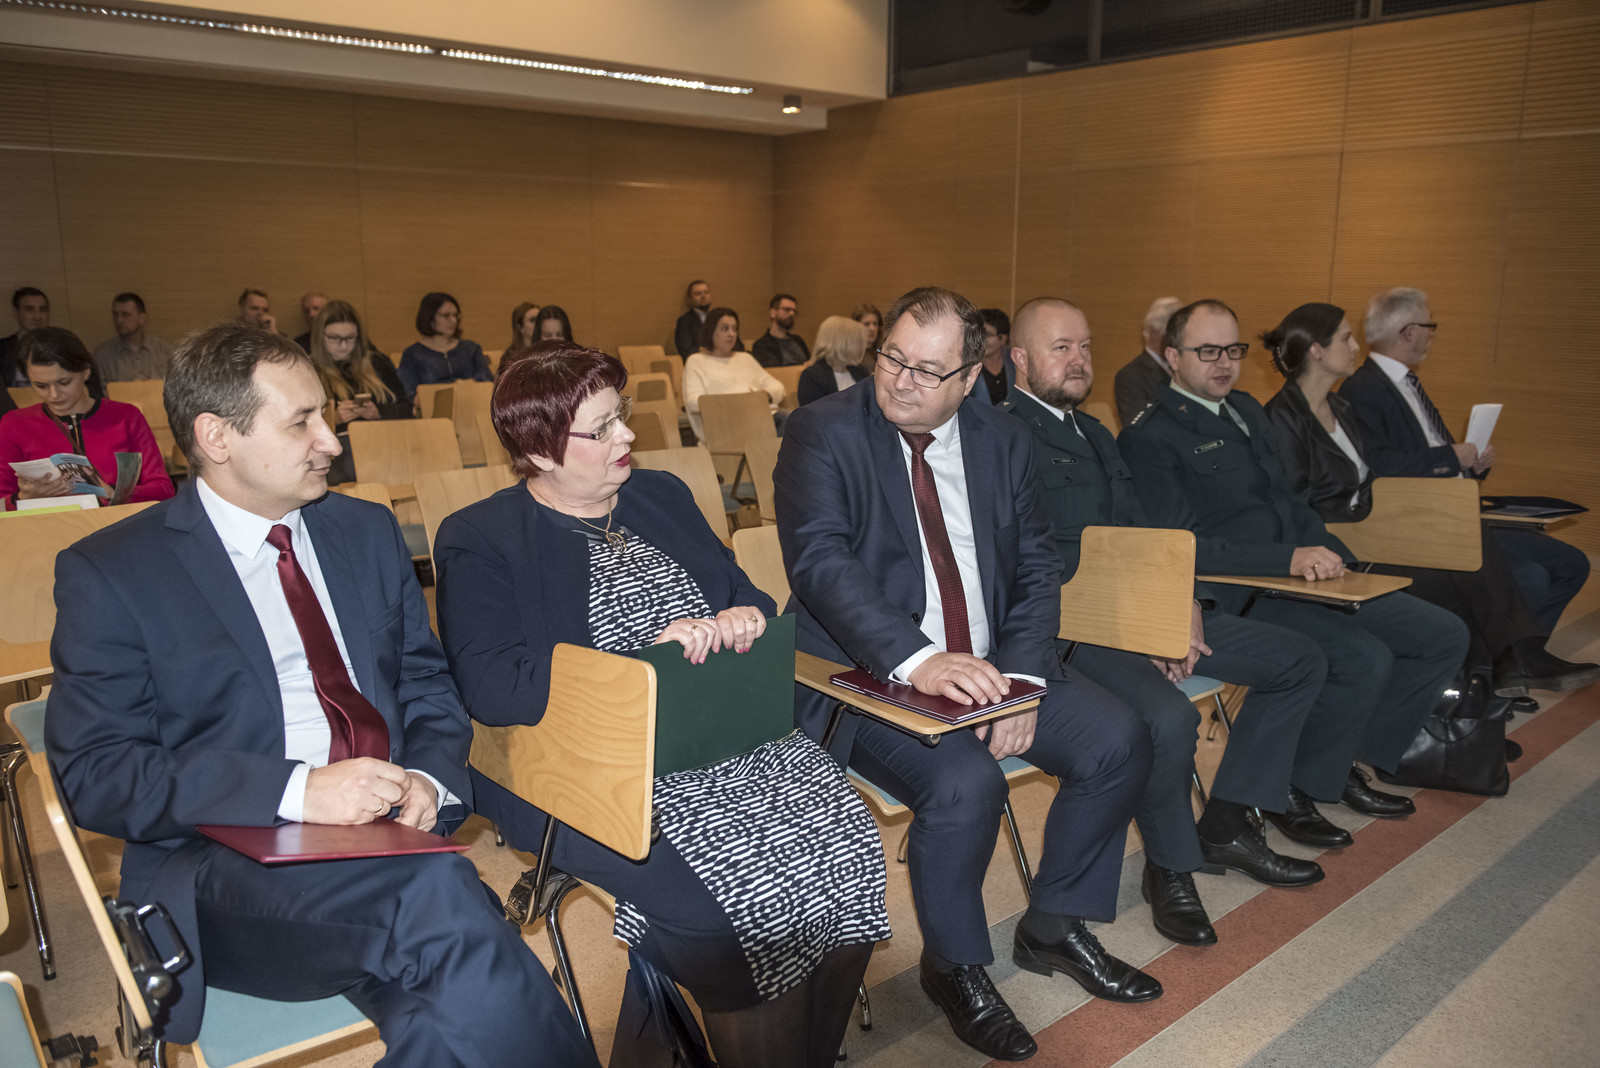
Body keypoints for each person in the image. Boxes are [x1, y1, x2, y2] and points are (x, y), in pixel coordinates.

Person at [44, 324, 596, 1067]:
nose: (331, 442)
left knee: (453, 1012)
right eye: (301, 421)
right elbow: (97, 775)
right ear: (216, 436)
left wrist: (428, 780)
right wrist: (300, 791)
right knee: (442, 896)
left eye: (325, 416)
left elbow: (425, 682)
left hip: (385, 842)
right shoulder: (116, 572)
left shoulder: (362, 530)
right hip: (222, 864)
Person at [434, 342, 888, 1068]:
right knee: (732, 912)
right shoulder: (480, 536)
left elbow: (742, 589)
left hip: (720, 730)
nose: (627, 435)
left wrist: (741, 616)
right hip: (590, 765)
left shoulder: (661, 494)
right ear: (538, 451)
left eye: (621, 415)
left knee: (849, 846)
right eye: (601, 429)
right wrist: (641, 659)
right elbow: (491, 684)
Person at [776, 286, 1158, 1063]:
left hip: (991, 663)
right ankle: (953, 967)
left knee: (1120, 739)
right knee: (966, 784)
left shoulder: (1001, 437)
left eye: (927, 370)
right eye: (893, 358)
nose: (900, 380)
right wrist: (922, 661)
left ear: (971, 377)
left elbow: (1036, 563)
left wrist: (1022, 681)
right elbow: (820, 563)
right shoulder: (823, 430)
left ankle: (1053, 923)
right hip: (866, 670)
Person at [1007, 297, 1330, 947]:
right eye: (1060, 348)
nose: (1079, 360)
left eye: (1085, 346)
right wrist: (1144, 626)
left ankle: (1230, 821)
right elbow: (1028, 563)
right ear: (1019, 358)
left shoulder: (1094, 432)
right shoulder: (1002, 436)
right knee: (1170, 717)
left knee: (1299, 660)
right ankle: (1171, 867)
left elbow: (1146, 535)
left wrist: (1181, 605)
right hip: (1075, 625)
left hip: (1142, 606)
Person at [1119, 300, 1470, 828]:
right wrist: (1289, 558)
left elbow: (1287, 502)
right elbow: (1183, 547)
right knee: (1363, 657)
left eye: (1233, 350)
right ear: (1172, 356)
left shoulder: (1245, 409)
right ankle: (1294, 786)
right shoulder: (1150, 436)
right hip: (1240, 591)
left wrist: (1342, 559)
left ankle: (1342, 759)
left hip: (1297, 576)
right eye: (1207, 351)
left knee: (1441, 634)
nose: (1224, 363)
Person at [1261, 302, 1597, 697]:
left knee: (1463, 544)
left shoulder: (1341, 407)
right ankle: (1498, 676)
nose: (1356, 347)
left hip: (1375, 527)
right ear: (1317, 351)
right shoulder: (1282, 416)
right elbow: (1297, 505)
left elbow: (1373, 479)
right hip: (1342, 543)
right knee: (1459, 572)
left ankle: (1492, 685)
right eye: (1346, 339)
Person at [1339, 286, 1590, 636]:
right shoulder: (1362, 389)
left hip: (1459, 512)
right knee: (1531, 577)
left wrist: (1473, 463)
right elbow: (1379, 465)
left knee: (1572, 564)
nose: (1432, 336)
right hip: (1427, 522)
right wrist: (1453, 456)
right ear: (1409, 332)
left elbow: (1434, 455)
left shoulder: (1408, 384)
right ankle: (1503, 655)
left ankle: (1519, 654)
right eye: (1430, 327)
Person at [0, 327, 173, 509]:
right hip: (48, 524)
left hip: (119, 523)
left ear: (85, 372)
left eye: (64, 382)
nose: (54, 395)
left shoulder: (126, 417)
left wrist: (113, 493)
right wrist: (22, 498)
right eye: (41, 385)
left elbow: (163, 490)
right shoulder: (15, 425)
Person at [307, 301, 412, 485]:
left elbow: (407, 410)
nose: (343, 345)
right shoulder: (309, 370)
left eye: (350, 338)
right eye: (334, 338)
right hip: (338, 451)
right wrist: (334, 419)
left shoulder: (378, 363)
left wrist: (378, 413)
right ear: (320, 337)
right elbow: (301, 423)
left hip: (384, 442)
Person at [683, 307, 785, 441]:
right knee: (791, 425)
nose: (731, 334)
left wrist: (764, 395)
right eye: (725, 329)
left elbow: (777, 386)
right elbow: (693, 402)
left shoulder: (745, 358)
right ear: (710, 331)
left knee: (797, 420)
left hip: (761, 418)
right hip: (725, 426)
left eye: (734, 328)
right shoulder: (696, 361)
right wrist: (739, 403)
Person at [397, 292, 491, 402]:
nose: (453, 321)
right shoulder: (412, 354)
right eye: (446, 316)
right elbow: (409, 394)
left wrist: (466, 384)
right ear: (430, 317)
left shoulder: (471, 349)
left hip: (472, 403)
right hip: (432, 409)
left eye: (455, 315)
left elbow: (486, 378)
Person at [1113, 296, 1182, 427]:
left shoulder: (1182, 368)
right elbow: (1137, 427)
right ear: (1154, 332)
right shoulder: (1130, 376)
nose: (1177, 341)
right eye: (1173, 334)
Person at [92, 292, 173, 381]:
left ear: (142, 318)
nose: (119, 320)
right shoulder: (102, 356)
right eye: (115, 314)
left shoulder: (165, 352)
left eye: (125, 314)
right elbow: (98, 388)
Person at [797, 315, 869, 406]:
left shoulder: (861, 371)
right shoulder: (812, 377)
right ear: (843, 343)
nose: (862, 345)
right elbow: (814, 413)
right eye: (857, 340)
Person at [1, 286, 51, 387]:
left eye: (42, 309)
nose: (37, 317)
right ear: (16, 312)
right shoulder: (2, 349)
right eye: (30, 310)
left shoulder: (64, 348)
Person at [751, 294, 810, 367]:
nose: (792, 314)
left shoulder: (798, 340)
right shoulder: (761, 345)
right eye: (787, 309)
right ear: (773, 313)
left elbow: (811, 363)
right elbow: (775, 370)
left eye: (794, 311)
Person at [976, 307, 1013, 405]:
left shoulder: (1015, 364)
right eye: (978, 334)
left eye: (987, 334)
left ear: (1003, 339)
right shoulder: (968, 366)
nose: (981, 340)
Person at [674, 279, 713, 357]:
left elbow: (736, 345)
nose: (703, 296)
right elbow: (685, 350)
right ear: (690, 299)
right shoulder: (684, 321)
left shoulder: (720, 318)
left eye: (706, 292)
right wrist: (707, 351)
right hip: (699, 361)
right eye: (698, 294)